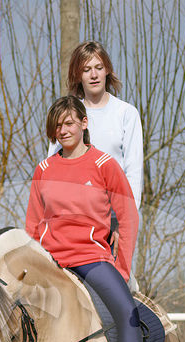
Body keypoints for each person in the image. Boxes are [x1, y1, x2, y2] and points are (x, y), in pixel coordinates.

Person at [26, 95, 150, 342]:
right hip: (52, 264)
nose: (63, 130)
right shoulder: (44, 170)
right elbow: (33, 226)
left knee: (127, 312)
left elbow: (128, 217)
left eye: (69, 123)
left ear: (84, 123)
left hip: (92, 259)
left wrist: (122, 268)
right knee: (13, 317)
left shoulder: (104, 164)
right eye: (57, 125)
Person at [48, 40, 143, 280]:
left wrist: (124, 223)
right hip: (72, 220)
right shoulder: (67, 113)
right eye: (86, 69)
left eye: (98, 67)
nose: (93, 75)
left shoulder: (126, 114)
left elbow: (133, 172)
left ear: (107, 70)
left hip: (110, 220)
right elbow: (51, 169)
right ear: (77, 74)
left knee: (115, 291)